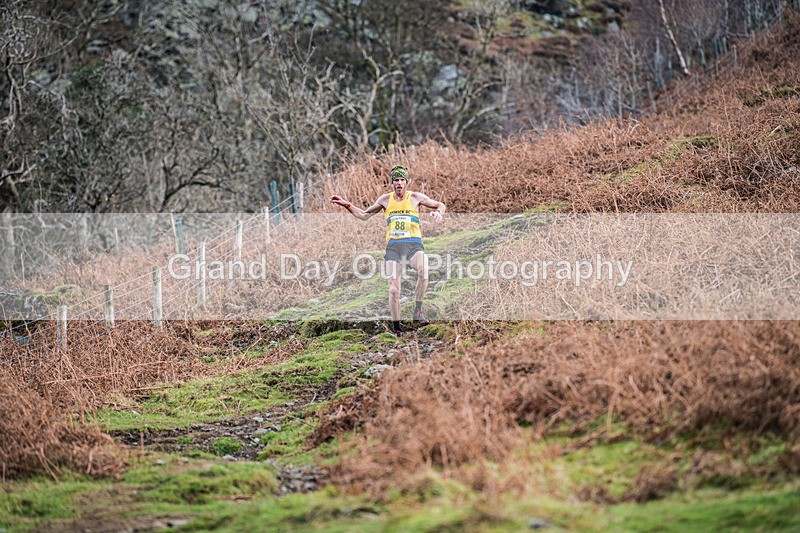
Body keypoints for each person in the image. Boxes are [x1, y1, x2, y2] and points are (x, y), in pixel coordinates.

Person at [330, 164, 446, 335]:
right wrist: (347, 205)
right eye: (396, 180)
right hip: (394, 248)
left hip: (413, 245)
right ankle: (397, 328)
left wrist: (439, 213)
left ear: (406, 182)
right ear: (392, 183)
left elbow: (439, 204)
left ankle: (418, 311)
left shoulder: (416, 197)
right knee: (393, 290)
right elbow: (364, 215)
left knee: (424, 271)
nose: (399, 183)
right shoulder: (385, 200)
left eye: (402, 180)